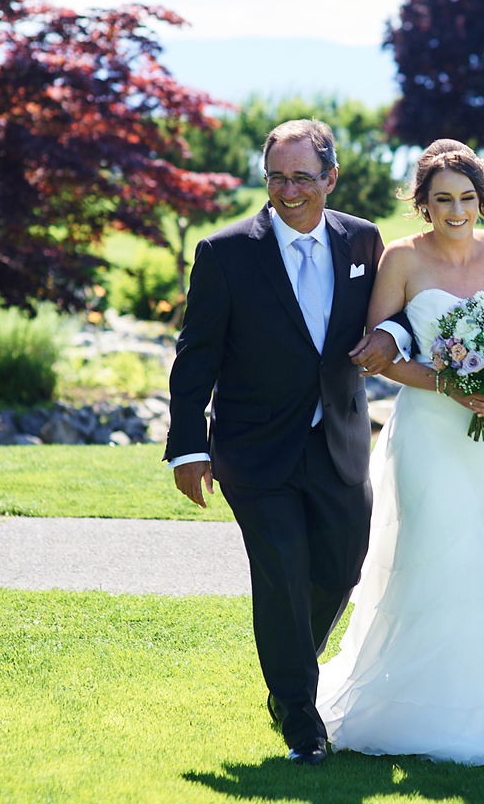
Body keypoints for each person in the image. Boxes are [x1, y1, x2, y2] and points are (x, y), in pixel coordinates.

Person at [314, 140, 484, 767]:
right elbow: (378, 353)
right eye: (441, 200)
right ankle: (419, 705)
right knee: (439, 548)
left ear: (482, 201)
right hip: (431, 431)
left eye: (465, 198)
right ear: (423, 204)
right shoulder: (403, 259)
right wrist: (452, 384)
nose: (455, 210)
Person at [165, 118, 403, 765]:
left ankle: (293, 663)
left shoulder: (363, 241)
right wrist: (189, 446)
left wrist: (394, 340)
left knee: (342, 566)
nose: (289, 190)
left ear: (331, 176)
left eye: (302, 177)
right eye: (277, 177)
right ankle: (298, 712)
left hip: (340, 443)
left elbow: (391, 316)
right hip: (253, 449)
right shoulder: (225, 252)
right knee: (281, 575)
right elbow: (195, 356)